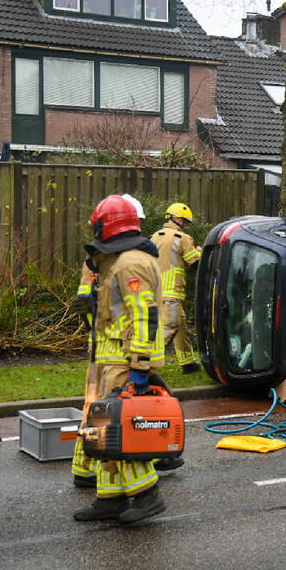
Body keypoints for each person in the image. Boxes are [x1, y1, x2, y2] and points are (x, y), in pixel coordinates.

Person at [72, 195, 167, 524]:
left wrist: (140, 368)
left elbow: (144, 317)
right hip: (110, 359)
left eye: (97, 224)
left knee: (120, 430)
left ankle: (147, 494)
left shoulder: (130, 263)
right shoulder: (118, 260)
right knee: (101, 431)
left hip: (125, 362)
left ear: (106, 225)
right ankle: (109, 499)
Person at [151, 203, 203, 374]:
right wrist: (200, 251)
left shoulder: (154, 237)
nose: (185, 225)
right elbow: (194, 261)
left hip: (154, 291)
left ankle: (188, 364)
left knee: (180, 327)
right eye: (185, 222)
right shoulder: (182, 238)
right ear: (179, 219)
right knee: (169, 326)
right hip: (171, 292)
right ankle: (142, 363)